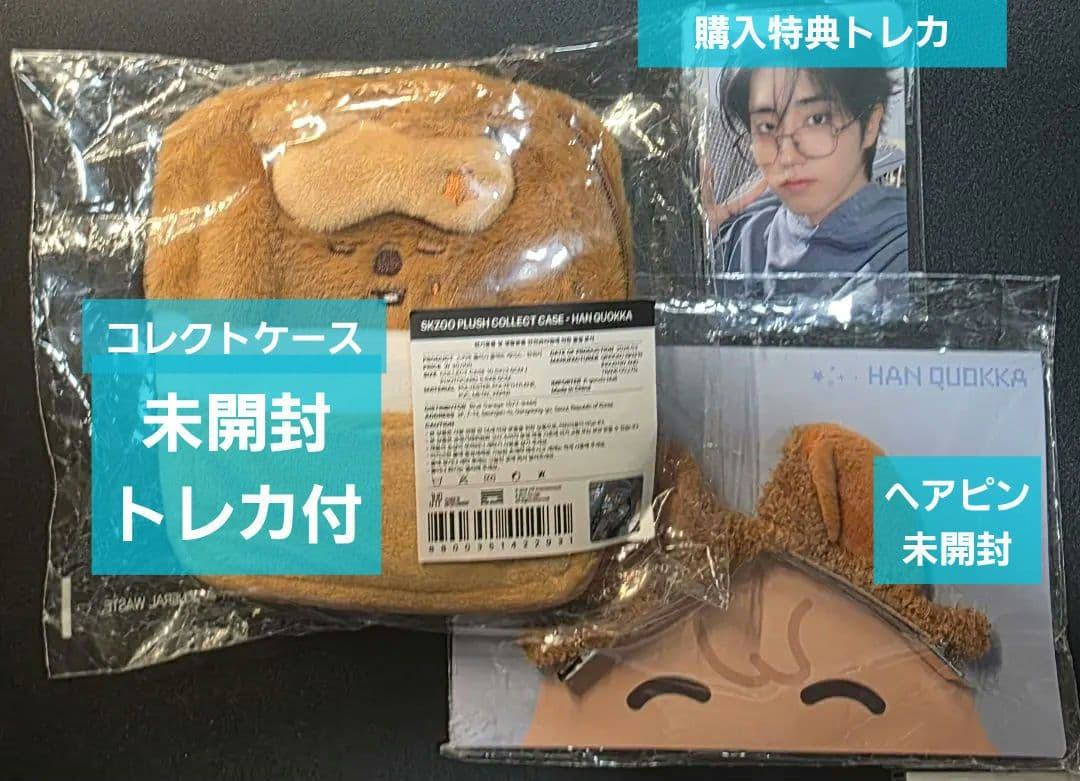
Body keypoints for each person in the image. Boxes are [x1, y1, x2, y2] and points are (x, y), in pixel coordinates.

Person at [706, 68, 908, 277]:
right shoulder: (741, 240)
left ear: (870, 125)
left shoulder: (910, 247)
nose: (787, 156)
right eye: (767, 126)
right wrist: (697, 240)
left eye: (816, 120)